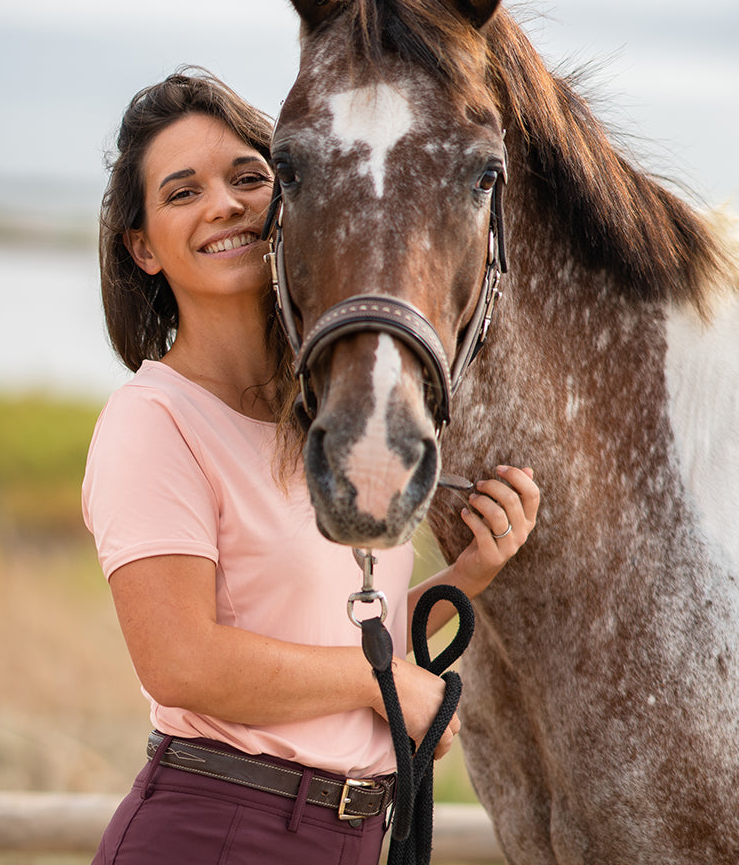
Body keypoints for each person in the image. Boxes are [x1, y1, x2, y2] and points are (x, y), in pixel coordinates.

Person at [81, 68, 539, 864]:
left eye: (248, 177)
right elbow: (183, 661)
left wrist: (467, 575)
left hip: (353, 834)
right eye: (182, 193)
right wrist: (380, 686)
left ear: (292, 198)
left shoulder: (327, 422)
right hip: (217, 830)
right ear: (142, 248)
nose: (224, 204)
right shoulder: (152, 422)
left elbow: (326, 633)